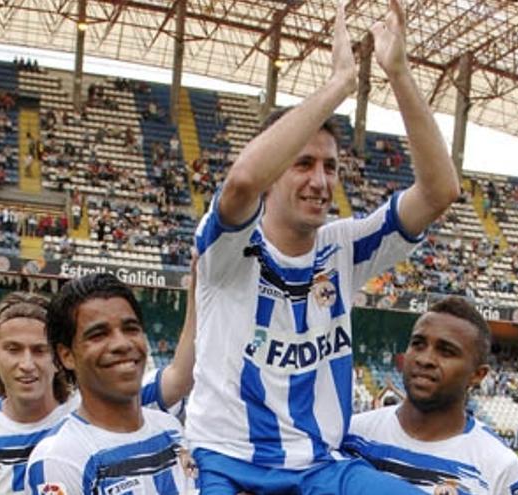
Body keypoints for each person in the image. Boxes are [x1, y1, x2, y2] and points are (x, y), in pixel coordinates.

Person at [187, 0, 459, 492]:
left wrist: (397, 72)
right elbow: (243, 182)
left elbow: (440, 192)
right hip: (227, 465)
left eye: (329, 167)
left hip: (320, 468)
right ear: (276, 174)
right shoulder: (230, 249)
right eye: (302, 163)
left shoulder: (344, 248)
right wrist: (339, 84)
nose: (319, 180)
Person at [0, 284, 195, 495]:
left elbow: (179, 377)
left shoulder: (95, 407)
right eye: (13, 349)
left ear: (59, 356)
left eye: (40, 350)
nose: (27, 365)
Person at [344, 296, 518, 494]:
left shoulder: (498, 466)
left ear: (477, 375)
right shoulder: (352, 435)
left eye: (446, 351)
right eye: (418, 344)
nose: (425, 359)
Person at [26, 273, 190, 494]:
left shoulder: (170, 429)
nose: (122, 344)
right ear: (67, 356)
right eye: (98, 335)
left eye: (131, 328)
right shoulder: (59, 459)